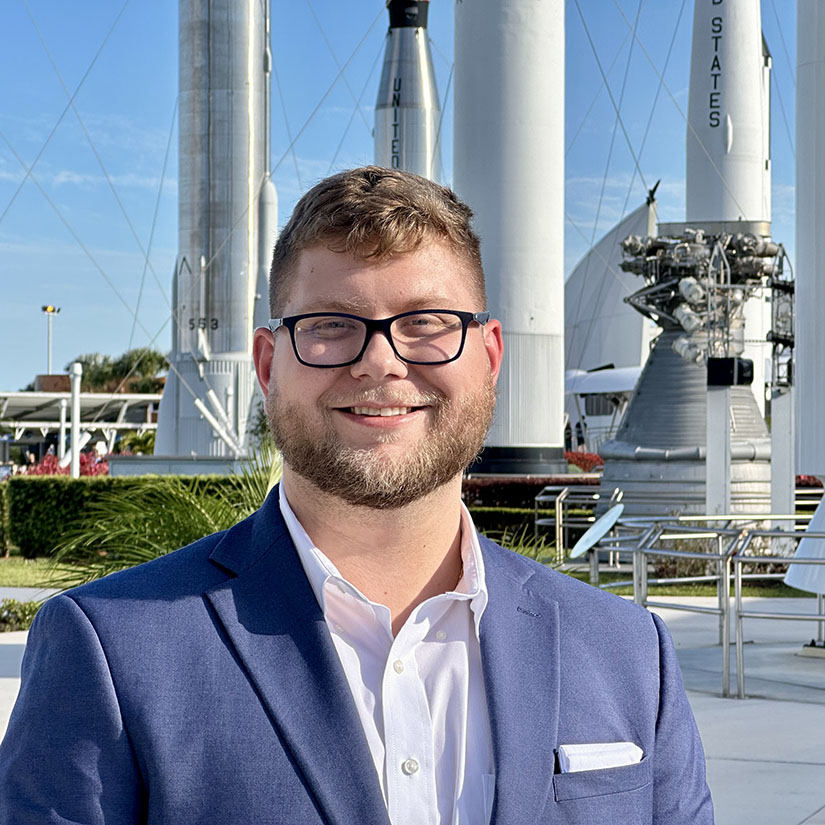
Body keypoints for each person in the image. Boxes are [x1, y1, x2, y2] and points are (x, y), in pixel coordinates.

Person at [0, 167, 713, 824]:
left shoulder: (626, 653)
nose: (380, 359)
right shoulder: (112, 649)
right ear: (268, 363)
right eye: (330, 325)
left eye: (427, 323)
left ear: (489, 357)